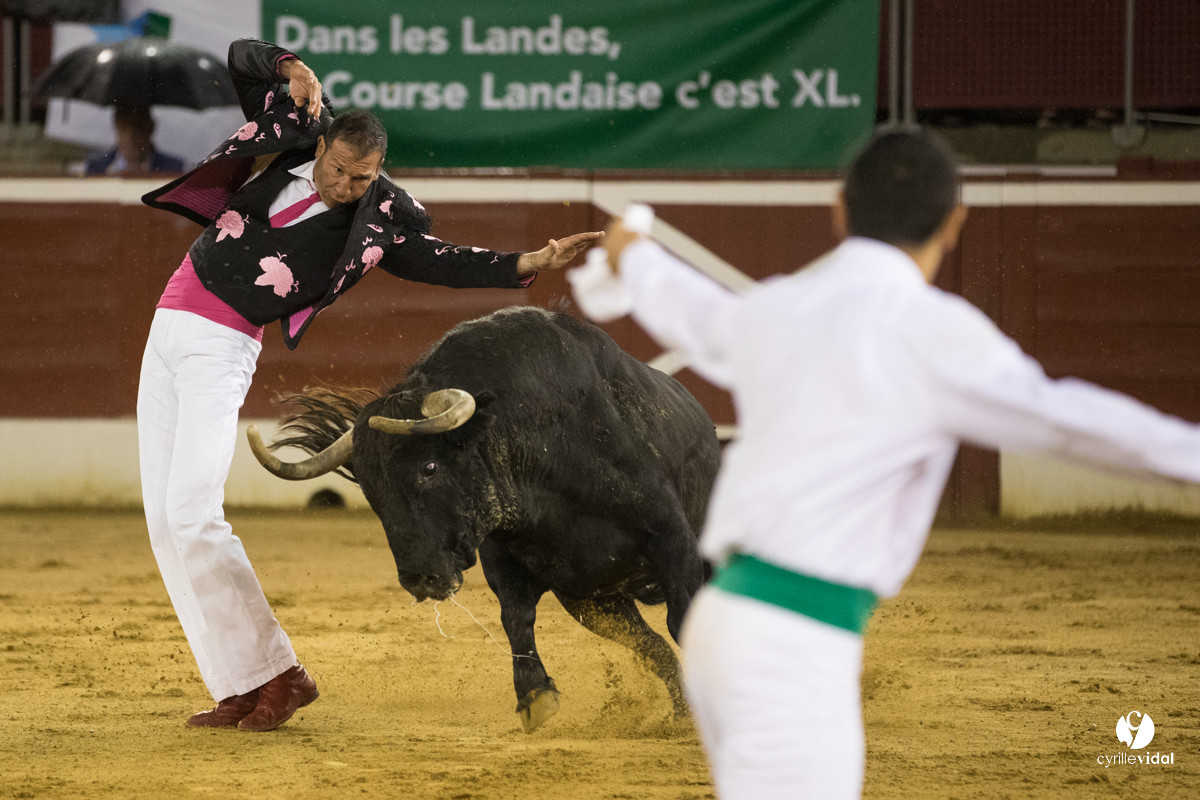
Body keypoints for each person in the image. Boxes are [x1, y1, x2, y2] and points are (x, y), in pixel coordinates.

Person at [575, 129, 1200, 799]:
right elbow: (1069, 420)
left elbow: (688, 305)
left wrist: (633, 253)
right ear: (955, 222)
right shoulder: (931, 329)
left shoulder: (781, 305)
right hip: (793, 640)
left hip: (727, 623)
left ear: (841, 209)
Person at [136, 37, 602, 733]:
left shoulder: (377, 221)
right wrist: (293, 67)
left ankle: (280, 675)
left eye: (363, 179)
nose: (347, 188)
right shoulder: (294, 133)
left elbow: (443, 261)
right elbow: (243, 55)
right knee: (166, 526)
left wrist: (525, 261)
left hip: (221, 344)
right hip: (168, 323)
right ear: (324, 149)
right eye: (342, 172)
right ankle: (239, 682)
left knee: (193, 515)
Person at [83, 104, 185, 176]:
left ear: (151, 127)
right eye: (124, 127)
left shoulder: (175, 169)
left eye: (138, 126)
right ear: (116, 128)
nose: (131, 135)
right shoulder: (96, 168)